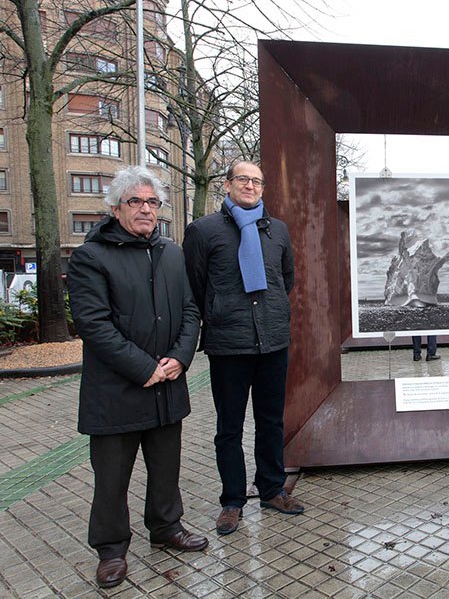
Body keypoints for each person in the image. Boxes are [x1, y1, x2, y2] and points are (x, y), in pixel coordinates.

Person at [67, 166, 207, 589]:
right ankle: (111, 549)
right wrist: (145, 367)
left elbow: (189, 310)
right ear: (115, 208)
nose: (146, 209)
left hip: (167, 384)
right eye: (136, 201)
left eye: (152, 202)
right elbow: (94, 325)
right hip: (116, 391)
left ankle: (166, 527)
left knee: (166, 467)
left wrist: (181, 357)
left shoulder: (172, 252)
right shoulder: (91, 257)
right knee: (112, 477)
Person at [183, 161, 304, 537]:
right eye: (243, 180)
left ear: (263, 188)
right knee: (229, 427)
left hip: (272, 342)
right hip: (229, 345)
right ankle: (232, 501)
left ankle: (271, 489)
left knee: (271, 421)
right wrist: (221, 314)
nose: (250, 186)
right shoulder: (203, 231)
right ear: (227, 184)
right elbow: (195, 285)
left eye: (257, 181)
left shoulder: (277, 230)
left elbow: (286, 279)